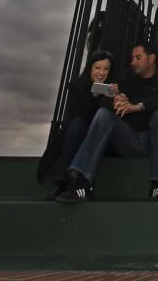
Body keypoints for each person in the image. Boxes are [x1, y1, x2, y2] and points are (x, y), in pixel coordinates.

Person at [56, 43, 158, 203]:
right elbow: (105, 99)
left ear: (152, 58)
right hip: (126, 139)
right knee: (103, 114)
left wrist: (136, 107)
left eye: (138, 58)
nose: (133, 62)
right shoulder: (125, 77)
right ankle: (81, 183)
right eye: (132, 58)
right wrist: (116, 100)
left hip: (154, 141)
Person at [36, 50, 115, 197]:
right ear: (90, 68)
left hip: (99, 139)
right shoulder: (78, 85)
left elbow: (109, 118)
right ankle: (62, 182)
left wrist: (109, 95)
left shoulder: (112, 89)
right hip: (78, 134)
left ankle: (73, 183)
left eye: (106, 69)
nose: (101, 72)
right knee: (77, 124)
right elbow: (75, 114)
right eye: (97, 67)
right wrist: (93, 97)